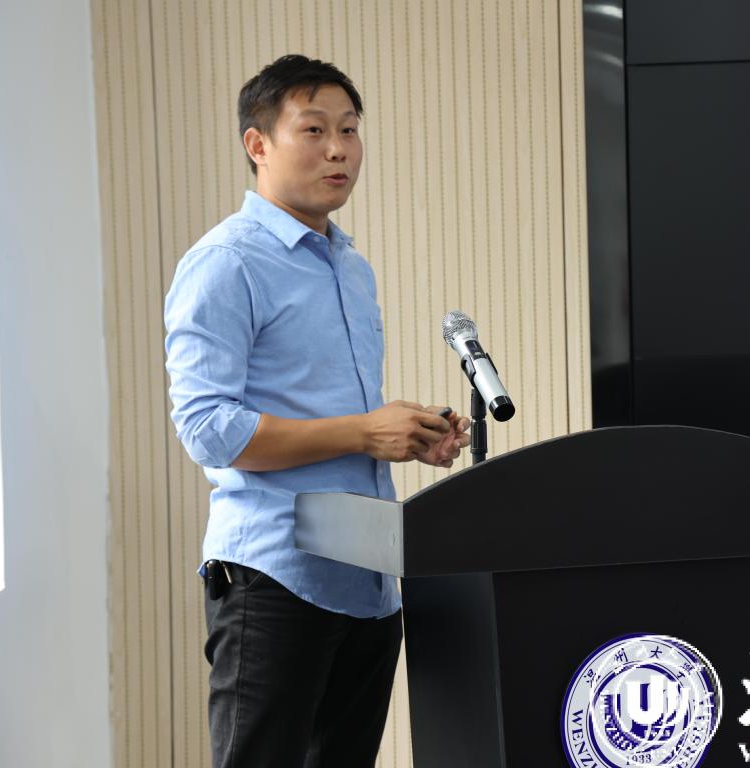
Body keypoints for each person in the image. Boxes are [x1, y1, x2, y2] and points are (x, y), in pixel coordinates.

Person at [164, 54, 469, 768]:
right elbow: (209, 429)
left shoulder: (350, 267)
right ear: (258, 144)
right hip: (276, 576)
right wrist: (364, 431)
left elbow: (334, 419)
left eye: (350, 130)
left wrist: (408, 436)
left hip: (367, 578)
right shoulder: (226, 262)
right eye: (314, 130)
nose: (338, 149)